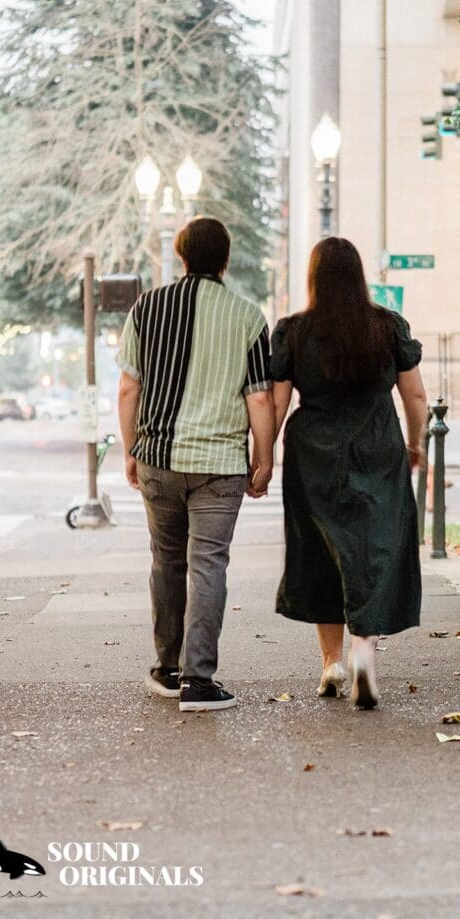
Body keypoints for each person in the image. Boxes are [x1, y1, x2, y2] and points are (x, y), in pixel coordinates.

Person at [117, 217, 274, 713]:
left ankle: (166, 669)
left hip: (158, 458)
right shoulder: (248, 317)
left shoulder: (146, 308)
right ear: (224, 259)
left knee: (167, 560)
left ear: (181, 255)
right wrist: (264, 459)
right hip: (220, 463)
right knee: (208, 565)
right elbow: (260, 399)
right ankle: (199, 681)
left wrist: (130, 450)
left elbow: (128, 388)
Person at [271, 237, 428, 710]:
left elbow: (277, 402)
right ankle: (364, 652)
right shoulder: (387, 327)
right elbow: (416, 397)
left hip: (313, 453)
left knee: (320, 552)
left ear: (313, 276)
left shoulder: (293, 331)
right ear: (359, 276)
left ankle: (331, 663)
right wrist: (415, 444)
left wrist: (261, 456)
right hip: (378, 447)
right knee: (373, 548)